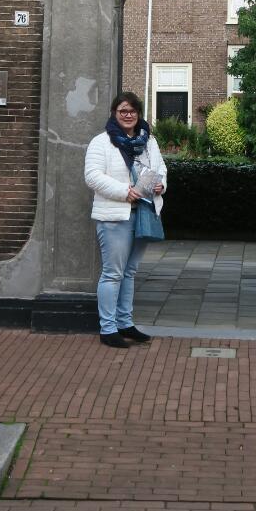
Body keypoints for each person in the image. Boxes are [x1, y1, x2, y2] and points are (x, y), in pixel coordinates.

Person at [83, 91, 167, 348]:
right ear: (114, 113)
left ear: (138, 113)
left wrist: (161, 184)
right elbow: (92, 176)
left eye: (132, 111)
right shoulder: (101, 142)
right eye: (123, 111)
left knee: (129, 272)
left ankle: (125, 323)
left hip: (144, 213)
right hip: (115, 216)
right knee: (113, 273)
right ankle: (108, 329)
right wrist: (124, 192)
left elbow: (160, 168)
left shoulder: (148, 141)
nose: (128, 115)